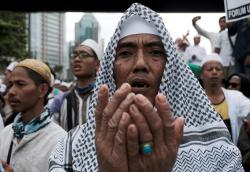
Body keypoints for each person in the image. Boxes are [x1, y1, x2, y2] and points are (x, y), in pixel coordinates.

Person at [49, 3, 243, 171]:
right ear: (111, 70)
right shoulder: (70, 148)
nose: (140, 63)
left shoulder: (218, 150)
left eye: (155, 52)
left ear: (170, 68)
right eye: (125, 53)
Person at [0, 59, 66, 172]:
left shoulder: (60, 141)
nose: (11, 91)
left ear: (42, 90)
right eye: (11, 84)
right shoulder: (6, 133)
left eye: (20, 84)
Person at [50, 39, 102, 131]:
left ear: (97, 64)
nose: (77, 59)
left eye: (84, 55)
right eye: (74, 55)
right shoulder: (60, 101)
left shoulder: (106, 97)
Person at [199, 53, 250, 145]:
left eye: (218, 69)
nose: (214, 72)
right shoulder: (194, 100)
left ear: (223, 75)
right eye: (210, 69)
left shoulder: (236, 97)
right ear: (201, 75)